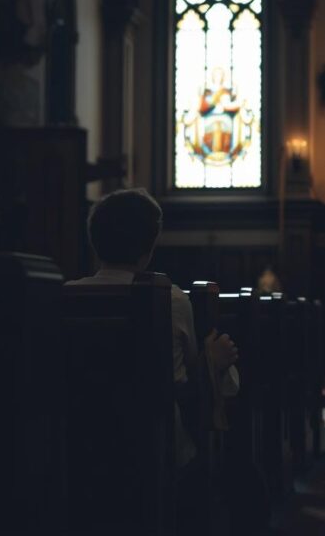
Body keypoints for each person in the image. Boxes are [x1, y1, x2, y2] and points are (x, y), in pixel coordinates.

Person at [65, 188, 240, 468]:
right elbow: (183, 387)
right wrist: (213, 361)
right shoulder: (170, 299)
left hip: (78, 444)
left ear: (94, 241)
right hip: (154, 448)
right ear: (149, 247)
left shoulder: (67, 296)